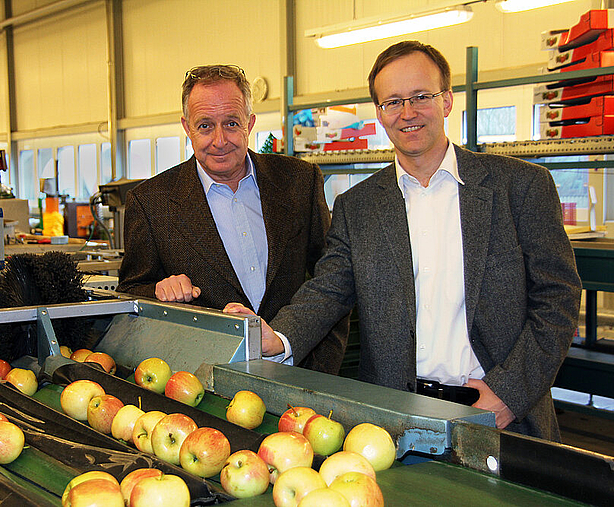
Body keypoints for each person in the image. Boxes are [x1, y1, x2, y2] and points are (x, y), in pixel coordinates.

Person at [225, 41, 581, 441]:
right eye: (392, 101)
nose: (407, 113)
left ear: (446, 100)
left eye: (421, 97)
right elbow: (327, 291)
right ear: (379, 113)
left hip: (501, 414)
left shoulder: (520, 187)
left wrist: (509, 394)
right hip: (393, 420)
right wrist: (279, 336)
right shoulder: (357, 206)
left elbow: (558, 297)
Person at [117, 64, 349, 374]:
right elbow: (132, 291)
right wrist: (160, 289)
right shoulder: (151, 202)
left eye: (231, 123)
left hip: (299, 372)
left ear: (250, 123)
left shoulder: (299, 181)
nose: (219, 140)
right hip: (202, 382)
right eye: (204, 126)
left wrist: (320, 368)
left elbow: (331, 279)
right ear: (186, 127)